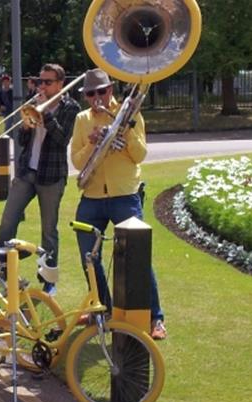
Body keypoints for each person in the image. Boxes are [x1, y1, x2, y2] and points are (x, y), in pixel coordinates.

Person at [70, 68, 167, 340]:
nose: (96, 98)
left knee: (138, 258)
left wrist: (121, 140)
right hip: (92, 197)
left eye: (101, 91)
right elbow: (77, 162)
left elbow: (140, 155)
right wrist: (92, 144)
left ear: (110, 90)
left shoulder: (129, 114)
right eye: (90, 93)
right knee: (89, 257)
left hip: (125, 195)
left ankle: (155, 318)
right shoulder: (82, 119)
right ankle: (102, 309)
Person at [0, 64, 80, 296]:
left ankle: (48, 278)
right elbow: (22, 138)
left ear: (60, 83)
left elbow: (62, 139)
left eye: (48, 82)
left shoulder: (72, 107)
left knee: (48, 231)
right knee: (7, 222)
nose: (42, 86)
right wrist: (25, 125)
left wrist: (46, 116)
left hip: (51, 176)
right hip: (26, 172)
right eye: (40, 81)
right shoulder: (34, 101)